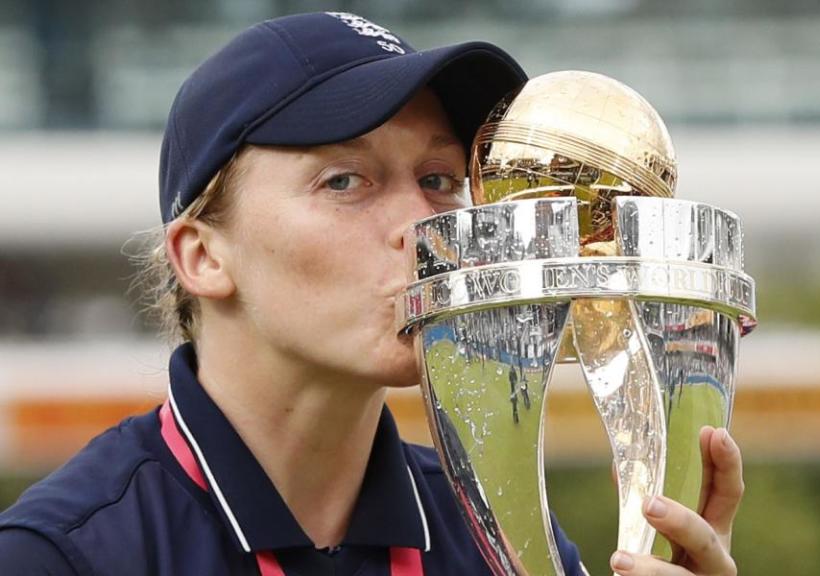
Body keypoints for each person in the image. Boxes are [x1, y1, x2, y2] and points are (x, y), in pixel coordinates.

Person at [0, 11, 743, 576]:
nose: (424, 228)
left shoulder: (503, 541)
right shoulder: (62, 555)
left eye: (439, 181)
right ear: (201, 256)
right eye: (345, 181)